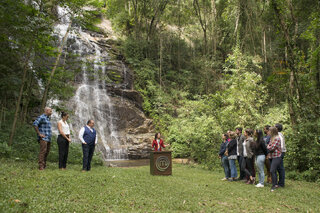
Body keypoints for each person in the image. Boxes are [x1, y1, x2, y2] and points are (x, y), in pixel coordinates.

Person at [267, 126, 282, 192]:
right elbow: (269, 146)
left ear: (272, 131)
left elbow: (271, 147)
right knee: (273, 171)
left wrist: (268, 146)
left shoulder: (277, 138)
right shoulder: (271, 138)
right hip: (271, 156)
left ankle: (274, 185)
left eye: (269, 131)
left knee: (272, 170)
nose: (268, 132)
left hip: (276, 156)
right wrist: (268, 146)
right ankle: (275, 184)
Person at [275, 123, 286, 187]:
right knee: (278, 168)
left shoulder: (279, 135)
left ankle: (281, 183)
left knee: (280, 168)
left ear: (277, 128)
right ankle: (278, 182)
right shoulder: (277, 135)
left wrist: (279, 153)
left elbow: (281, 146)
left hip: (280, 153)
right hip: (279, 152)